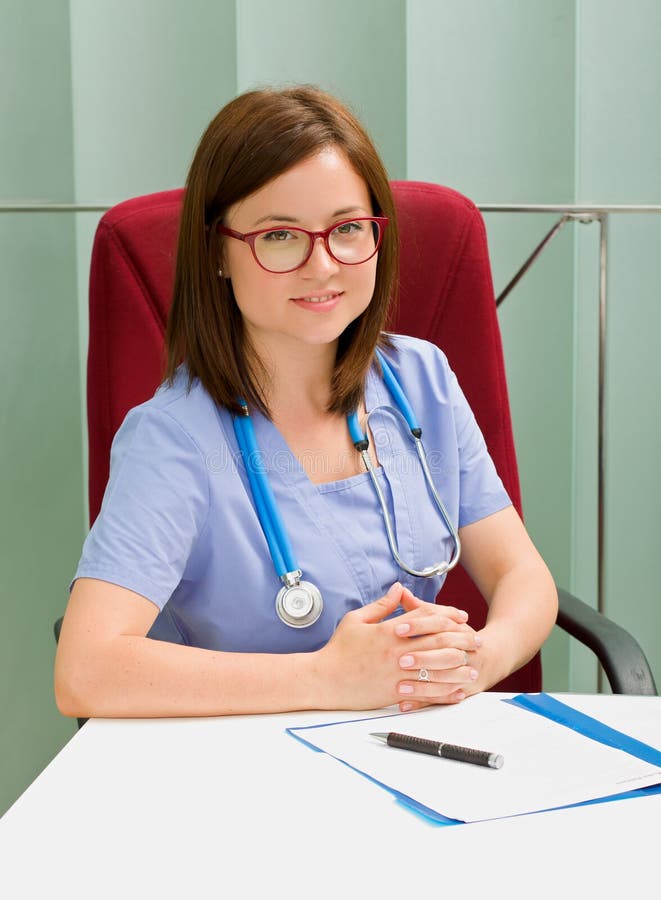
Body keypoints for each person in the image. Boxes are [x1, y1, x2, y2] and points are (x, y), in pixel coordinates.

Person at [54, 85, 557, 720]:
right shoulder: (175, 437)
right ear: (217, 251)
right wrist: (327, 678)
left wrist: (482, 657)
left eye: (347, 229)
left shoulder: (421, 381)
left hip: (416, 752)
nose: (323, 265)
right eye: (281, 236)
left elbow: (523, 578)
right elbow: (86, 668)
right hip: (240, 771)